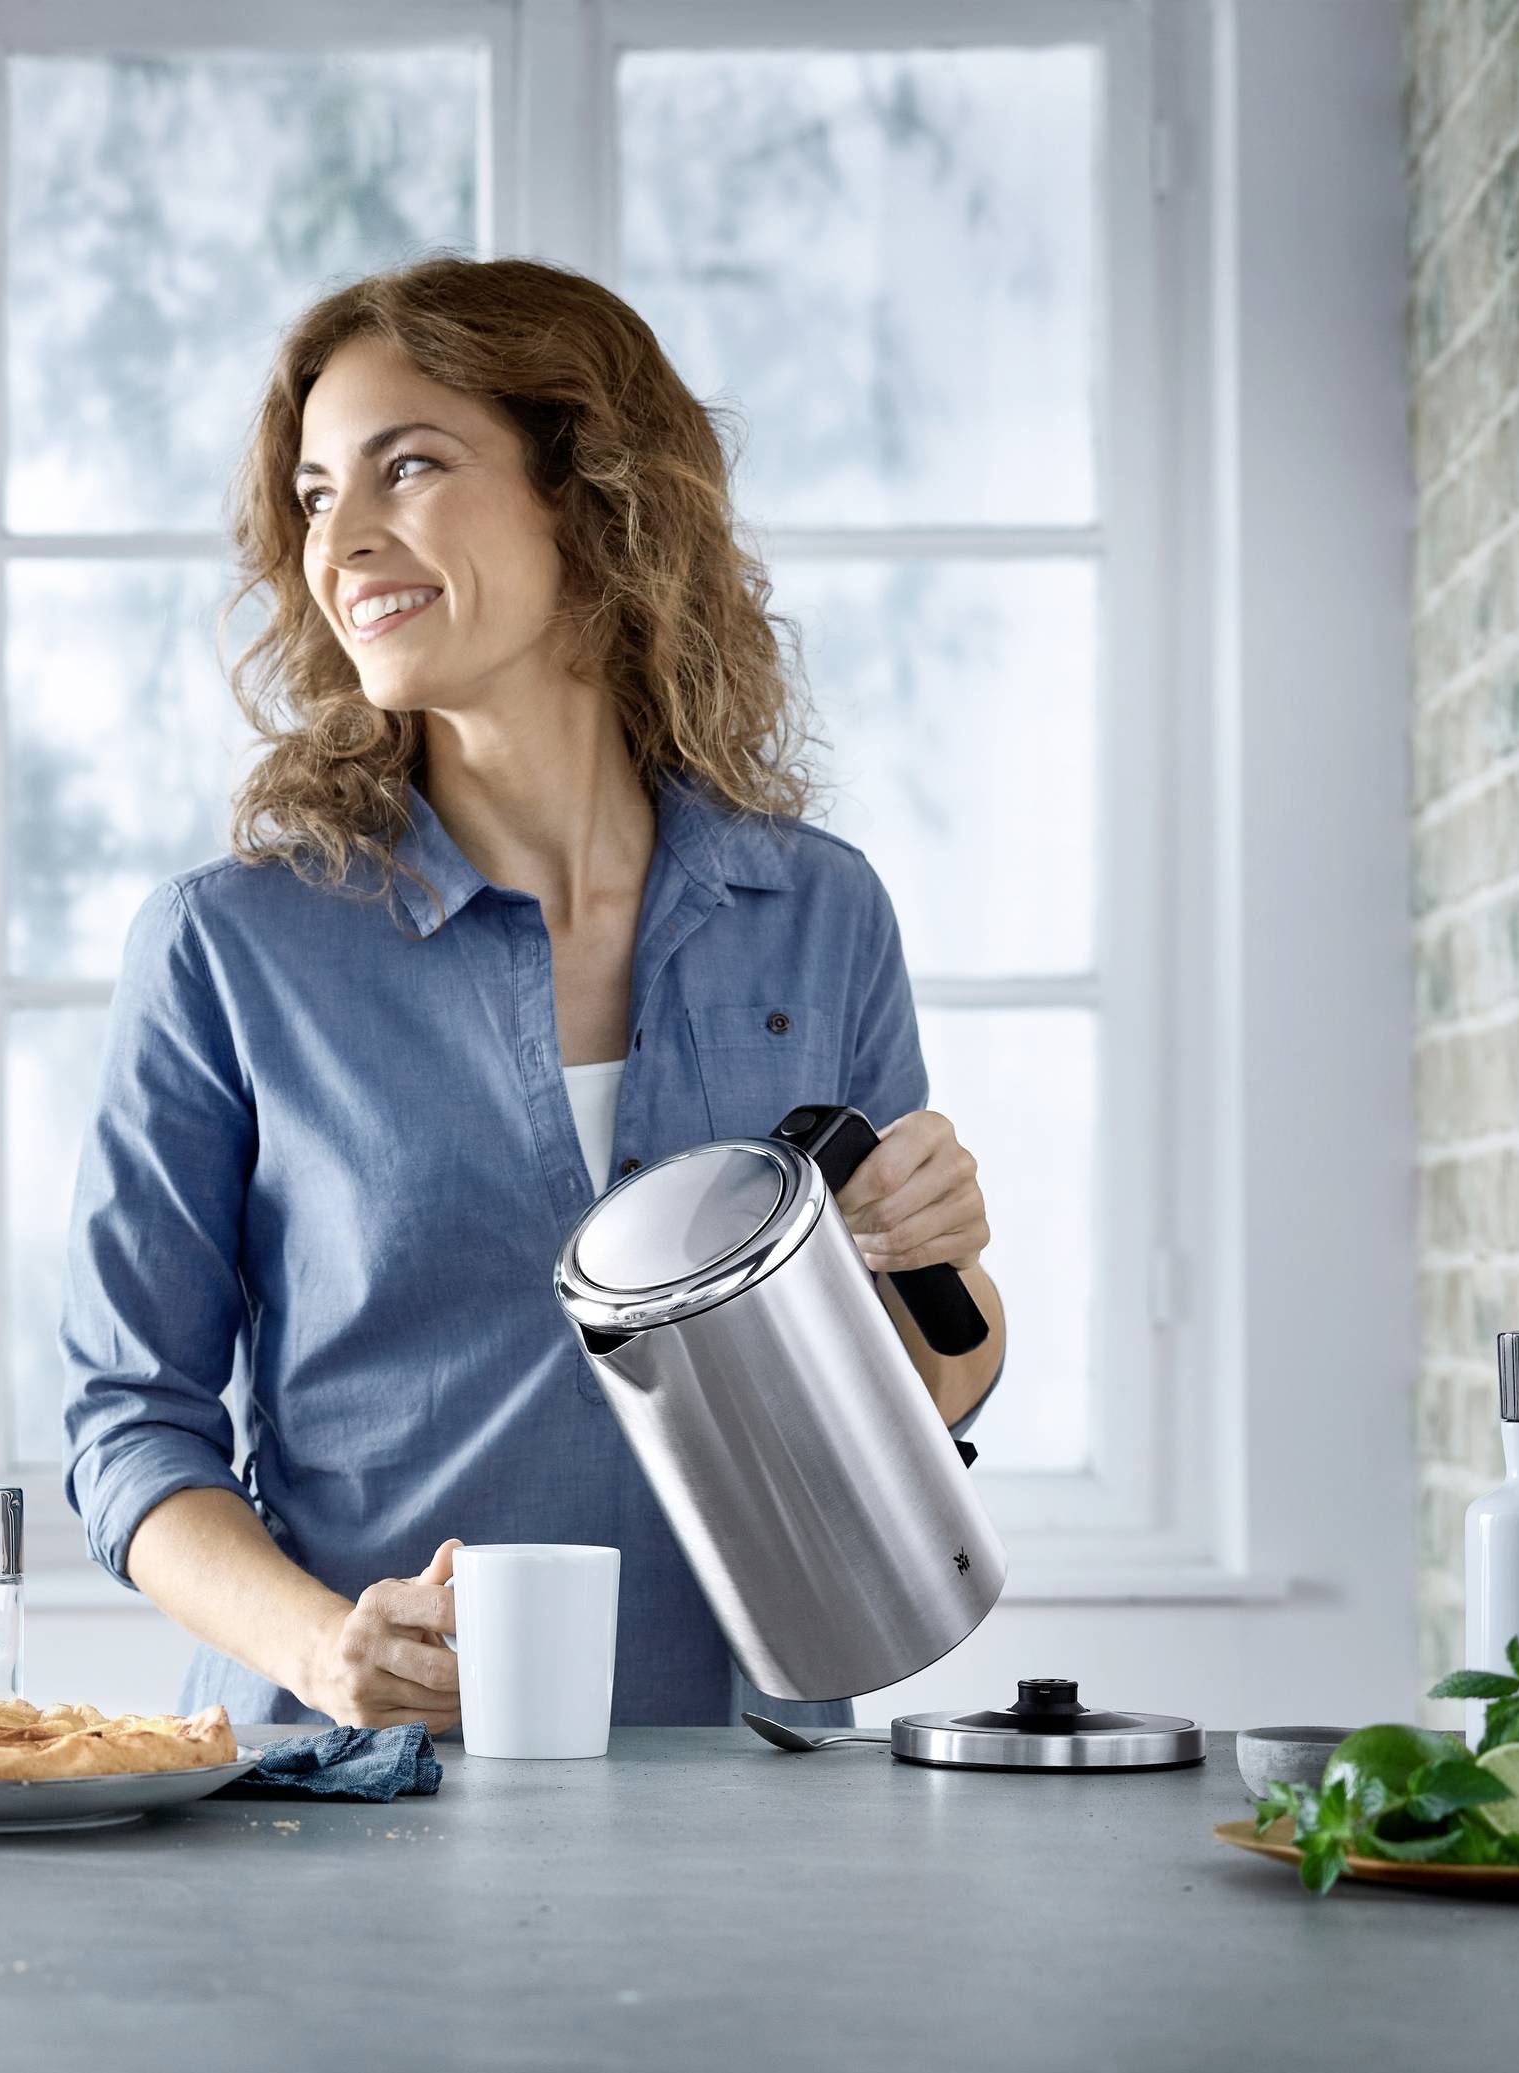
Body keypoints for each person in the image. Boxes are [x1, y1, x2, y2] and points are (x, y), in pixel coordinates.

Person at [58, 255, 1006, 1734]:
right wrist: (322, 1650)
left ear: (592, 491)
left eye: (408, 467)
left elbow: (914, 1400)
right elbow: (130, 1427)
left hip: (743, 1793)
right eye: (315, 495)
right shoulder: (227, 948)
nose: (340, 542)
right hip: (354, 1793)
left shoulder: (819, 915)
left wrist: (931, 1256)